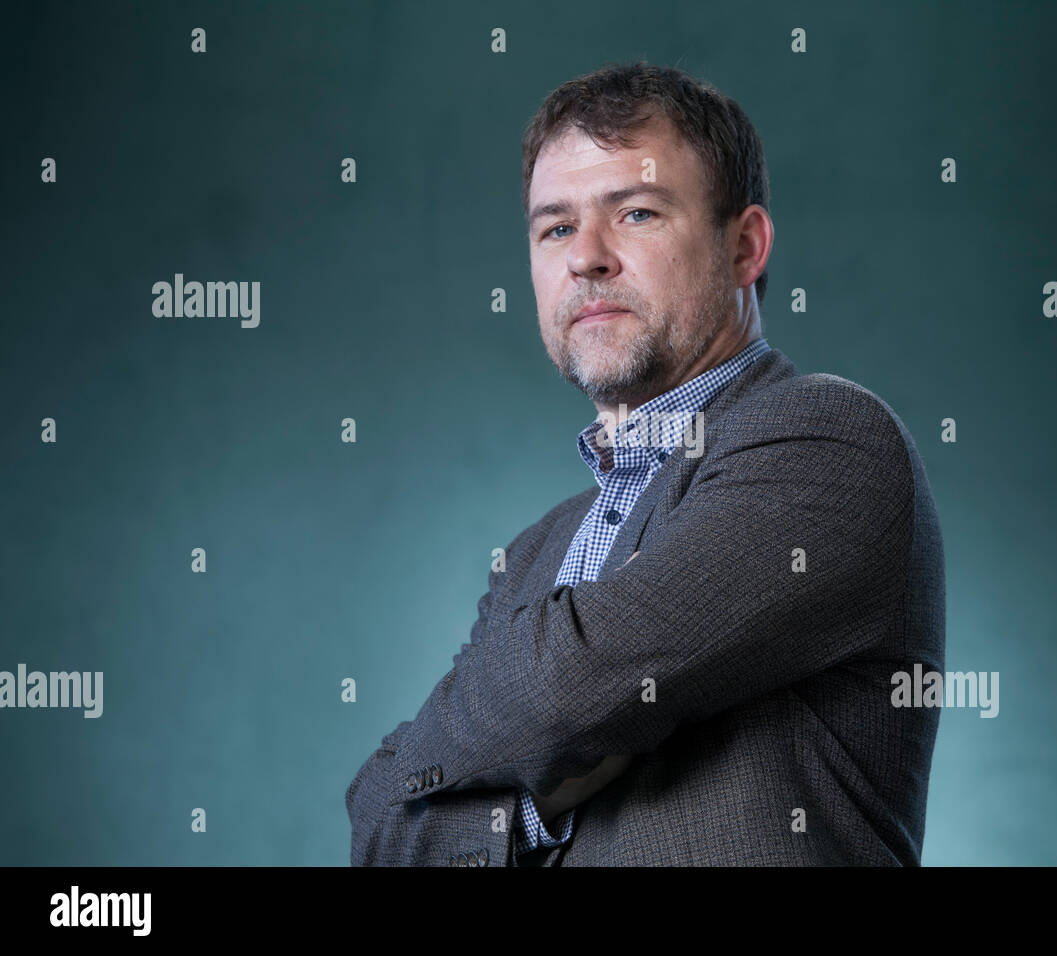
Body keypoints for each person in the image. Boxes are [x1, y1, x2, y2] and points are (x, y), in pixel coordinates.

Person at [346, 60, 945, 866]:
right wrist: (528, 811)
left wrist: (525, 727)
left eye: (634, 212)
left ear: (745, 246)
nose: (585, 257)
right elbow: (378, 821)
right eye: (555, 227)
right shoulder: (533, 556)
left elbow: (563, 690)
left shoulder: (828, 440)